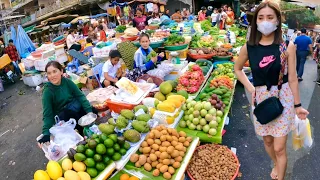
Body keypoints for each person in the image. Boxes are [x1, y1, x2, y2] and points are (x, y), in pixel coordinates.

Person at [234, 2, 309, 180]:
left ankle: (280, 173)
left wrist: (298, 105)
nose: (265, 21)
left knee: (279, 147)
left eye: (270, 17)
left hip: (283, 98)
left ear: (277, 21)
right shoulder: (249, 47)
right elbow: (237, 69)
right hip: (260, 99)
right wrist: (251, 88)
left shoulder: (286, 46)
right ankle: (276, 162)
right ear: (255, 22)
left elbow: (292, 78)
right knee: (267, 140)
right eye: (261, 18)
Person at [37, 61, 97, 145]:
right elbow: (47, 114)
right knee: (73, 122)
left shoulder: (67, 82)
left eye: (55, 71)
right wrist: (46, 133)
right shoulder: (47, 92)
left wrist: (89, 111)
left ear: (61, 71)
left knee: (93, 111)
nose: (52, 76)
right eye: (49, 73)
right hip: (64, 116)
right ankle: (82, 138)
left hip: (74, 107)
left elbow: (80, 96)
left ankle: (88, 133)